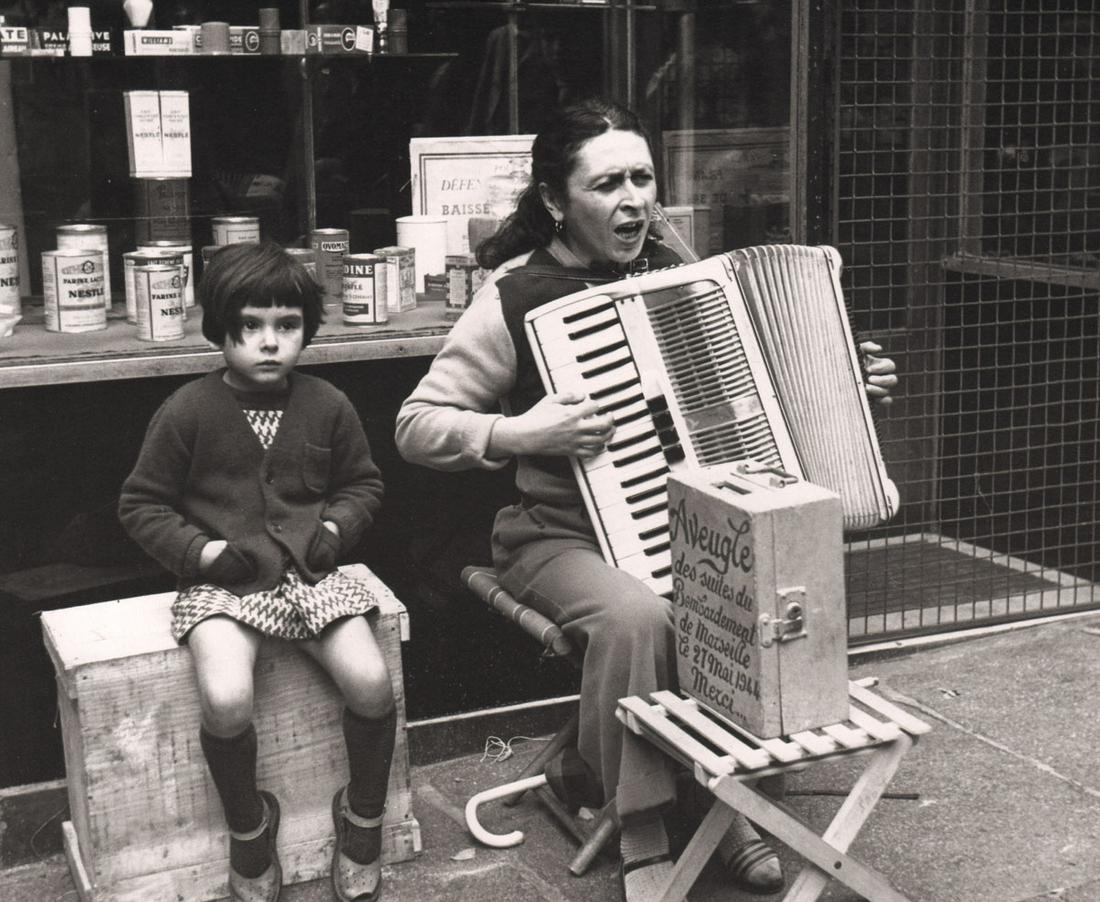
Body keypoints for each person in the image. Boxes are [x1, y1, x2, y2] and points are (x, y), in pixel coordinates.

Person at [395, 98, 897, 902]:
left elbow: (757, 401)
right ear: (557, 200)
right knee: (640, 618)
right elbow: (416, 426)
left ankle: (706, 794)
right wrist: (521, 433)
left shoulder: (679, 270)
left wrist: (842, 388)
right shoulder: (517, 297)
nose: (633, 199)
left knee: (746, 593)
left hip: (686, 525)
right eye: (606, 184)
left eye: (642, 178)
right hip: (556, 538)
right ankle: (651, 825)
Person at [119, 241, 393, 902]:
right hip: (223, 580)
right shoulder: (188, 410)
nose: (268, 343)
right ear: (220, 329)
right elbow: (140, 504)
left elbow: (364, 485)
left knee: (372, 681)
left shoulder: (328, 403)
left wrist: (333, 530)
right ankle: (250, 826)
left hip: (310, 572)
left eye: (286, 326)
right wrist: (203, 554)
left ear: (306, 328)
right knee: (226, 697)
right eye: (249, 327)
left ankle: (362, 818)